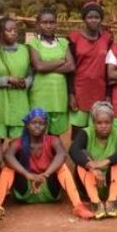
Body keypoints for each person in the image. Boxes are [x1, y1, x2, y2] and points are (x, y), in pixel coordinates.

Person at [0, 108, 94, 219]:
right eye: (34, 123)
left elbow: (62, 155)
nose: (37, 126)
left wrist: (46, 174)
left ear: (46, 126)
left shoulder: (53, 140)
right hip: (25, 191)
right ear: (27, 125)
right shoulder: (18, 142)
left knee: (62, 167)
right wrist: (27, 174)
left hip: (49, 189)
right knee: (8, 168)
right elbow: (7, 156)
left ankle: (78, 206)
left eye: (41, 123)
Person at [68, 102, 117, 219]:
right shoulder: (86, 132)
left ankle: (111, 201)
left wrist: (106, 161)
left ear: (112, 122)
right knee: (81, 163)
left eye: (107, 122)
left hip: (112, 182)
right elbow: (73, 150)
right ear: (93, 122)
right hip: (90, 182)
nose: (103, 126)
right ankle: (96, 203)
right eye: (99, 123)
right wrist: (91, 166)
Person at [0, 16, 32, 145]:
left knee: (18, 143)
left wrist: (25, 83)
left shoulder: (24, 50)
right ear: (0, 32)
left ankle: (14, 165)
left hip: (20, 103)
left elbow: (30, 75)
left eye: (15, 30)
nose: (13, 32)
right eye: (9, 30)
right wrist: (8, 80)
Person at [27, 8, 75, 136]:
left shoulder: (63, 43)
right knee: (38, 133)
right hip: (40, 95)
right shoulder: (33, 43)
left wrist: (47, 65)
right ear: (38, 25)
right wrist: (60, 61)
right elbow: (39, 66)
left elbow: (71, 66)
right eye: (44, 22)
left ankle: (54, 156)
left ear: (56, 24)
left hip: (59, 96)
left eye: (52, 22)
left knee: (55, 135)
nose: (48, 25)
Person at [68, 1, 113, 133]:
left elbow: (108, 68)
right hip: (80, 91)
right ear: (84, 19)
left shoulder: (107, 39)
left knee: (97, 130)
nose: (93, 20)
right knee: (78, 132)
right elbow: (70, 69)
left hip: (100, 91)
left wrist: (109, 94)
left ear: (101, 19)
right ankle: (77, 154)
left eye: (97, 17)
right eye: (90, 17)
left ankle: (95, 154)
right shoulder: (74, 38)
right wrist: (71, 94)